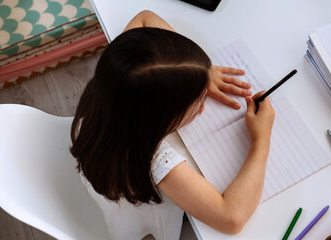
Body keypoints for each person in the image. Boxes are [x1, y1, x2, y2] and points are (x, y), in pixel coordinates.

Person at [70, 10, 275, 239]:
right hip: (136, 215)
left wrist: (196, 72)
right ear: (162, 120)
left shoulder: (117, 80)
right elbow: (232, 218)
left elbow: (145, 17)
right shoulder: (154, 161)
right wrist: (261, 139)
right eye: (195, 101)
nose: (201, 104)